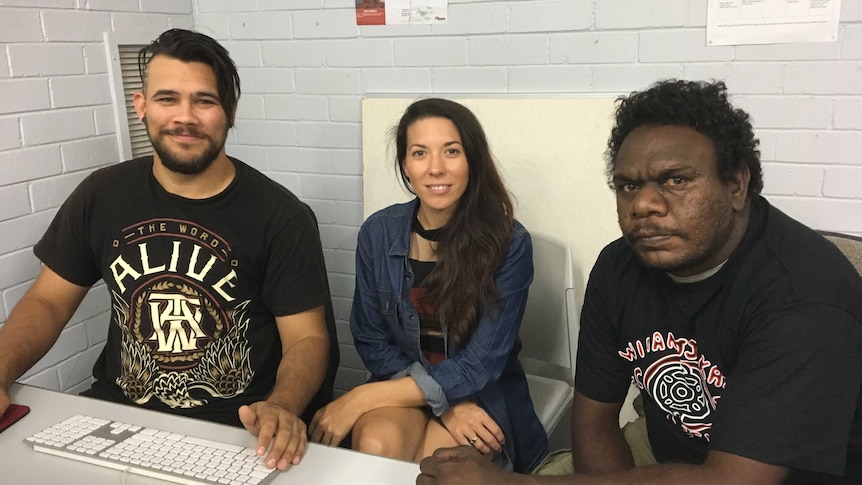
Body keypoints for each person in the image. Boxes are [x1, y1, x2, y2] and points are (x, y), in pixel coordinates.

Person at [416, 80, 862, 484]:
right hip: (664, 450)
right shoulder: (620, 266)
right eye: (628, 186)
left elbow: (733, 481)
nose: (645, 204)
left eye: (676, 180)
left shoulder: (805, 298)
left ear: (737, 184)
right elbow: (594, 419)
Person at [0, 28, 340, 471]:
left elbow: (308, 338)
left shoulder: (279, 214)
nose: (185, 117)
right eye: (167, 99)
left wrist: (283, 404)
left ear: (230, 112)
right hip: (118, 415)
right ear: (142, 106)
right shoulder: (101, 194)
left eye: (204, 100)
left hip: (237, 429)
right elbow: (47, 301)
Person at [308, 98, 547, 473]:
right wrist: (443, 403)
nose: (436, 168)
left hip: (479, 396)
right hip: (402, 381)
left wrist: (358, 398)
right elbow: (371, 338)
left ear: (472, 159)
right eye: (420, 153)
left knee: (436, 468)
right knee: (373, 443)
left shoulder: (509, 244)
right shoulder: (378, 232)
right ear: (405, 164)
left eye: (451, 151)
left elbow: (481, 364)